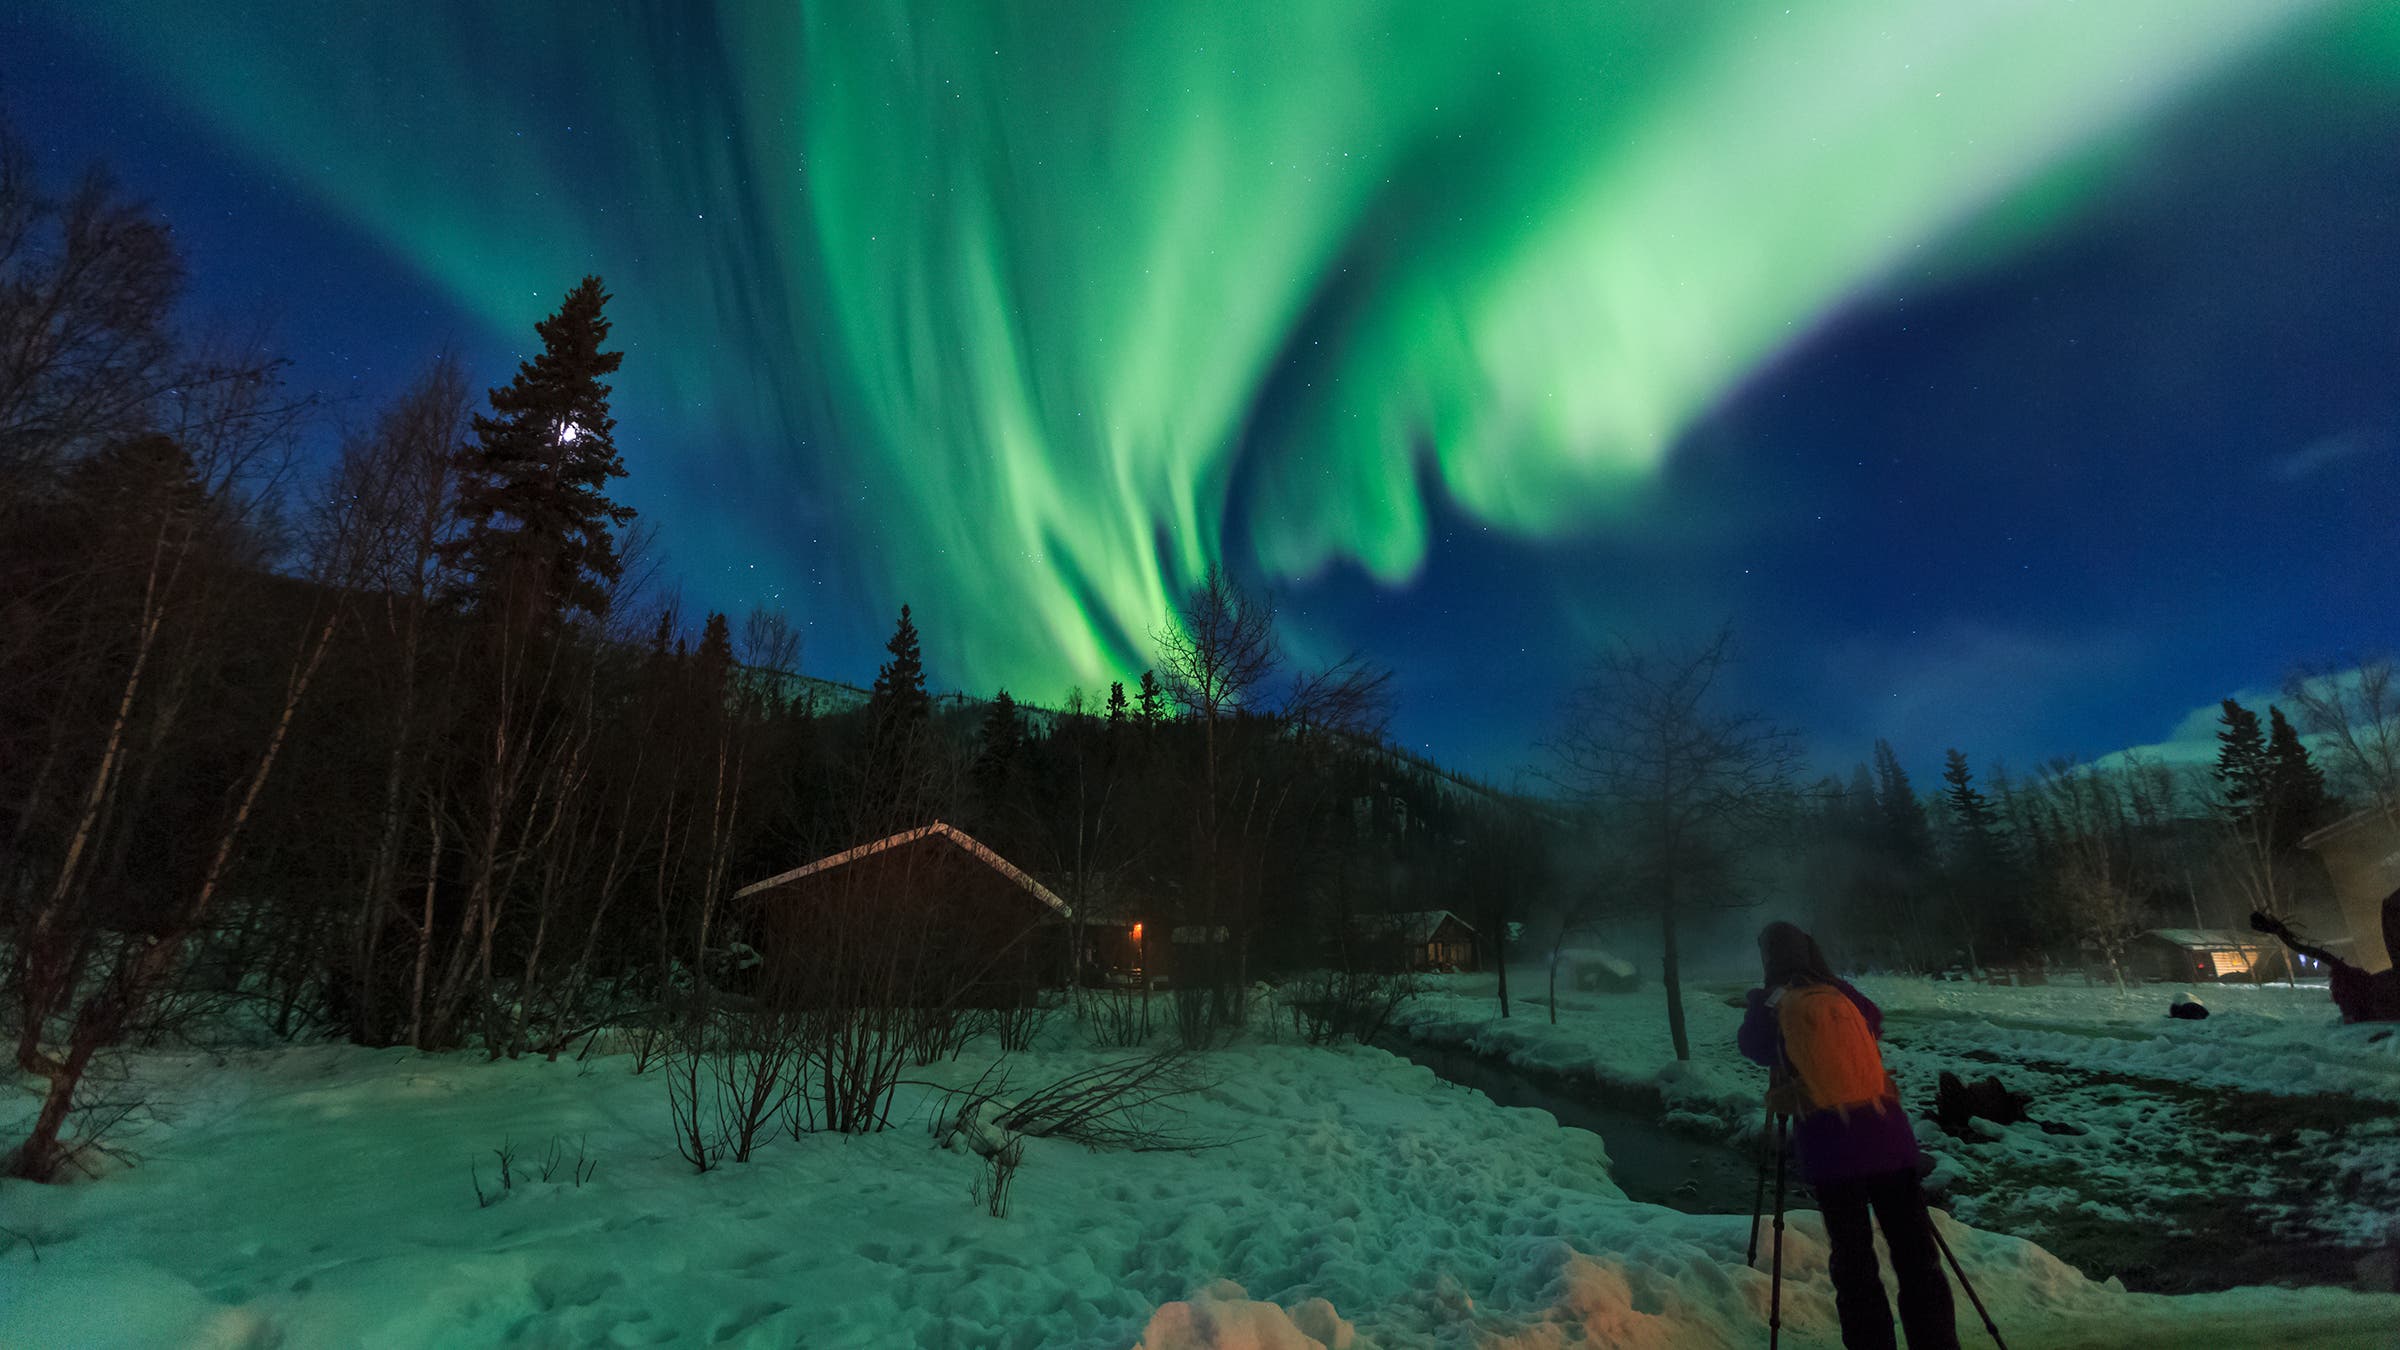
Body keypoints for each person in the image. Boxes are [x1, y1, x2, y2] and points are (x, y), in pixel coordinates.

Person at [1738, 921, 1958, 1350]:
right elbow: (1874, 1021)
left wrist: (1760, 1002)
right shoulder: (1842, 993)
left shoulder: (1772, 1001)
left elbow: (1753, 1047)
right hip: (1889, 1137)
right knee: (1917, 1256)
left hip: (1832, 1150)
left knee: (1855, 1263)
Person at [2250, 888, 2400, 1024]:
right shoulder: (2369, 997)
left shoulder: (2367, 997)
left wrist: (2281, 934)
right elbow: (2324, 957)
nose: (2336, 1001)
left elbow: (2324, 957)